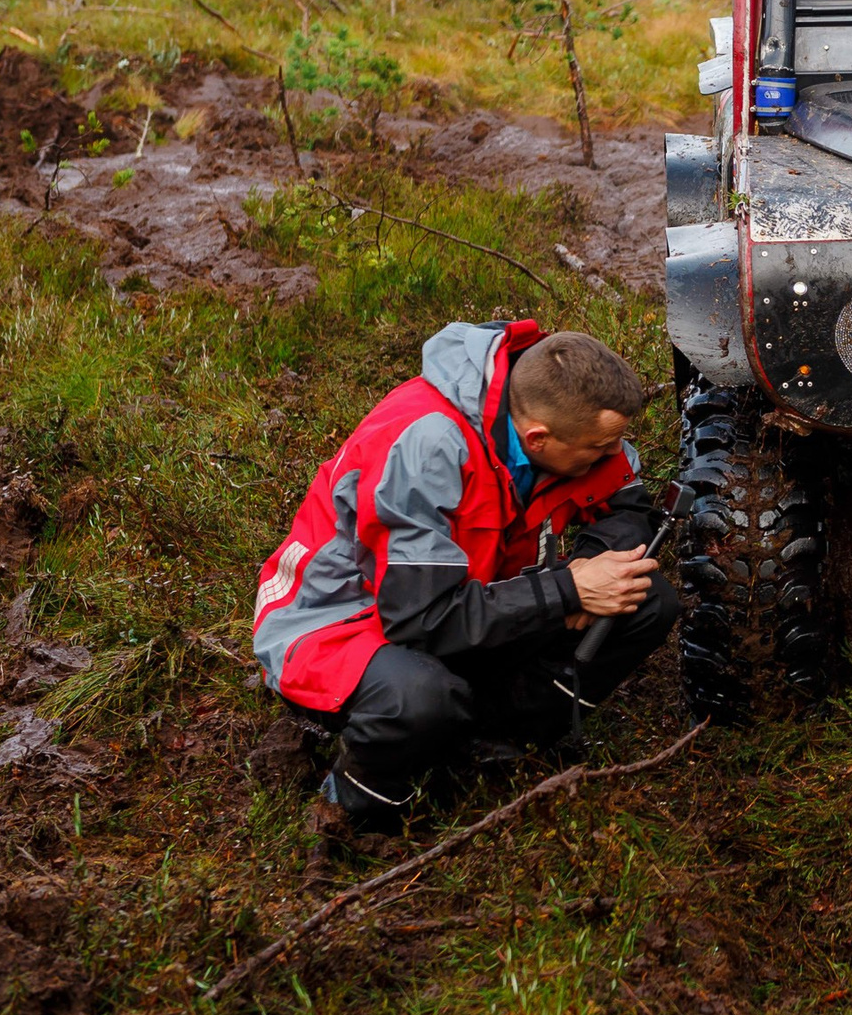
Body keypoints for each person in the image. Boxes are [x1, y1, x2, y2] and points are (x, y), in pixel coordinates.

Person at [251, 320, 679, 831]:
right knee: (419, 698)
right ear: (538, 439)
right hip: (342, 622)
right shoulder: (426, 446)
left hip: (467, 603)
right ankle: (355, 809)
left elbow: (628, 508)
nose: (614, 454)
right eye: (601, 447)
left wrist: (590, 571)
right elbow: (419, 620)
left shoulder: (563, 421)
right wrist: (567, 590)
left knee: (644, 598)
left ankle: (488, 745)